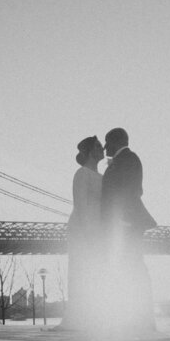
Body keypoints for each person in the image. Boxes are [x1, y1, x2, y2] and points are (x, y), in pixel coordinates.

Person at [101, 127, 157, 332]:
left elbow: (133, 190)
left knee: (133, 267)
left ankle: (142, 319)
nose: (106, 148)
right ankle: (133, 318)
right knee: (126, 268)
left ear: (116, 142)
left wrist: (123, 219)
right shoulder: (121, 161)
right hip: (119, 226)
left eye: (108, 143)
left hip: (126, 224)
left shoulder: (130, 159)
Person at [63, 136, 105, 330]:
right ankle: (79, 319)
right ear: (89, 151)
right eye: (98, 146)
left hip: (97, 231)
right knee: (81, 273)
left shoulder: (103, 176)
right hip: (82, 230)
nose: (102, 148)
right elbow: (80, 205)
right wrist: (89, 234)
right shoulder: (81, 174)